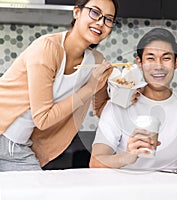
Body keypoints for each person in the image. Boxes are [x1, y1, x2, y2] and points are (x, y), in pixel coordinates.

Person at [0, 0, 122, 171]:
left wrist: (128, 97)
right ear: (77, 13)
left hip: (17, 146)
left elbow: (102, 108)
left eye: (109, 19)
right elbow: (42, 119)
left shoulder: (97, 62)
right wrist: (89, 88)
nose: (101, 22)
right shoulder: (47, 48)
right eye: (95, 12)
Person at [90, 28, 177, 170]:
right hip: (132, 189)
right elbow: (95, 162)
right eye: (150, 58)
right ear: (139, 62)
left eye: (166, 58)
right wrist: (128, 156)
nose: (158, 66)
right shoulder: (117, 107)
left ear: (176, 62)